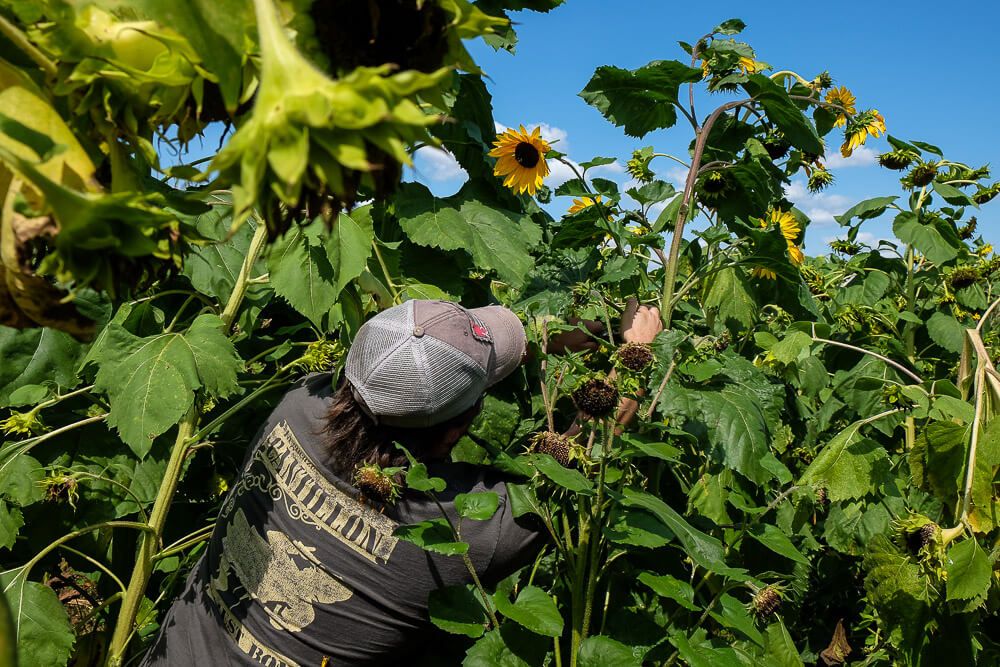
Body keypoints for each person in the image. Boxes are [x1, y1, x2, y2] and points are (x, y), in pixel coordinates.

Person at [142, 298, 662, 666]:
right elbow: (579, 455)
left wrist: (587, 331)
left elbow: (407, 380)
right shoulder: (461, 532)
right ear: (463, 423)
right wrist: (637, 350)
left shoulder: (298, 404)